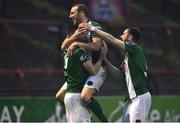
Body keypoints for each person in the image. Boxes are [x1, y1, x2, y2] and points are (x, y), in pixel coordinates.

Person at [80, 23, 152, 122]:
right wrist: (104, 59)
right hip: (131, 99)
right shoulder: (129, 58)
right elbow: (119, 75)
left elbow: (113, 40)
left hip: (139, 97)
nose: (121, 36)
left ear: (130, 37)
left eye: (124, 34)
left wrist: (92, 28)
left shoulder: (134, 48)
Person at [56, 4, 107, 122]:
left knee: (85, 96)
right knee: (59, 96)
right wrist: (74, 37)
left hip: (96, 69)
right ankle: (81, 113)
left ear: (81, 12)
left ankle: (104, 120)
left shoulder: (94, 26)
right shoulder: (75, 29)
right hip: (83, 68)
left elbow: (96, 46)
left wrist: (77, 43)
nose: (70, 16)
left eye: (72, 13)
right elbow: (63, 46)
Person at [62, 26, 106, 122]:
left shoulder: (66, 51)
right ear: (76, 34)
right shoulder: (78, 51)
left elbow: (63, 46)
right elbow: (93, 70)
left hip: (69, 95)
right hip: (76, 97)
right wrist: (102, 57)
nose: (86, 35)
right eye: (83, 32)